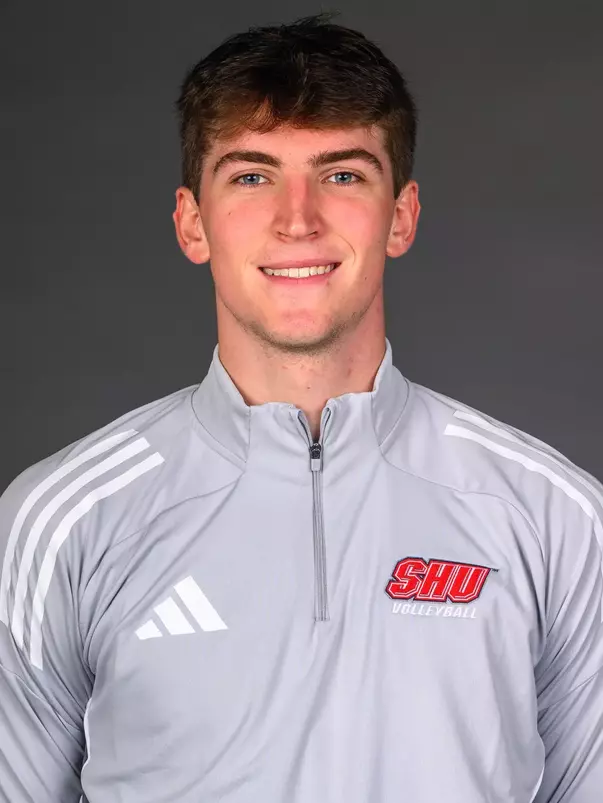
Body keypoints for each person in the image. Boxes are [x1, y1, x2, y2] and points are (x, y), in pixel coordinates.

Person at [0, 11, 601, 803]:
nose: (297, 219)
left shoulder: (554, 516)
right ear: (191, 223)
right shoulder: (61, 521)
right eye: (251, 176)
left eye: (342, 174)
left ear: (402, 216)